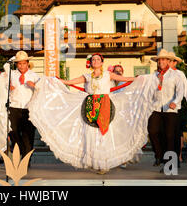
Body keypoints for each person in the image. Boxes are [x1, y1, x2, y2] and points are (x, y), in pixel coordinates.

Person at [27, 52, 159, 174]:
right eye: (93, 60)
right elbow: (69, 82)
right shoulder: (87, 76)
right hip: (90, 105)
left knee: (104, 133)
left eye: (98, 59)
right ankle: (94, 162)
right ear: (91, 63)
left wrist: (140, 78)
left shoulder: (108, 75)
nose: (95, 61)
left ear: (102, 62)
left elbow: (125, 79)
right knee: (90, 133)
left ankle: (104, 164)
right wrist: (55, 80)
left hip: (105, 105)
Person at [147, 49, 185, 169]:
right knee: (152, 131)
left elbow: (181, 91)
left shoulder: (176, 75)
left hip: (170, 110)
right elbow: (148, 90)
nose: (161, 62)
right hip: (156, 108)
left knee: (170, 136)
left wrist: (175, 102)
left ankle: (170, 164)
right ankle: (159, 155)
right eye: (159, 60)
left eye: (163, 59)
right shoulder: (153, 76)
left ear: (168, 61)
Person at [3, 51, 40, 162]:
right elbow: (5, 65)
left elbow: (42, 91)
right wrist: (8, 86)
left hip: (28, 109)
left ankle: (26, 160)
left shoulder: (34, 76)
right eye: (19, 63)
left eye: (24, 63)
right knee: (12, 131)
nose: (22, 66)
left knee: (27, 136)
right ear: (16, 64)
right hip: (14, 107)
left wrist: (34, 86)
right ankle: (20, 151)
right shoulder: (12, 74)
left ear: (28, 63)